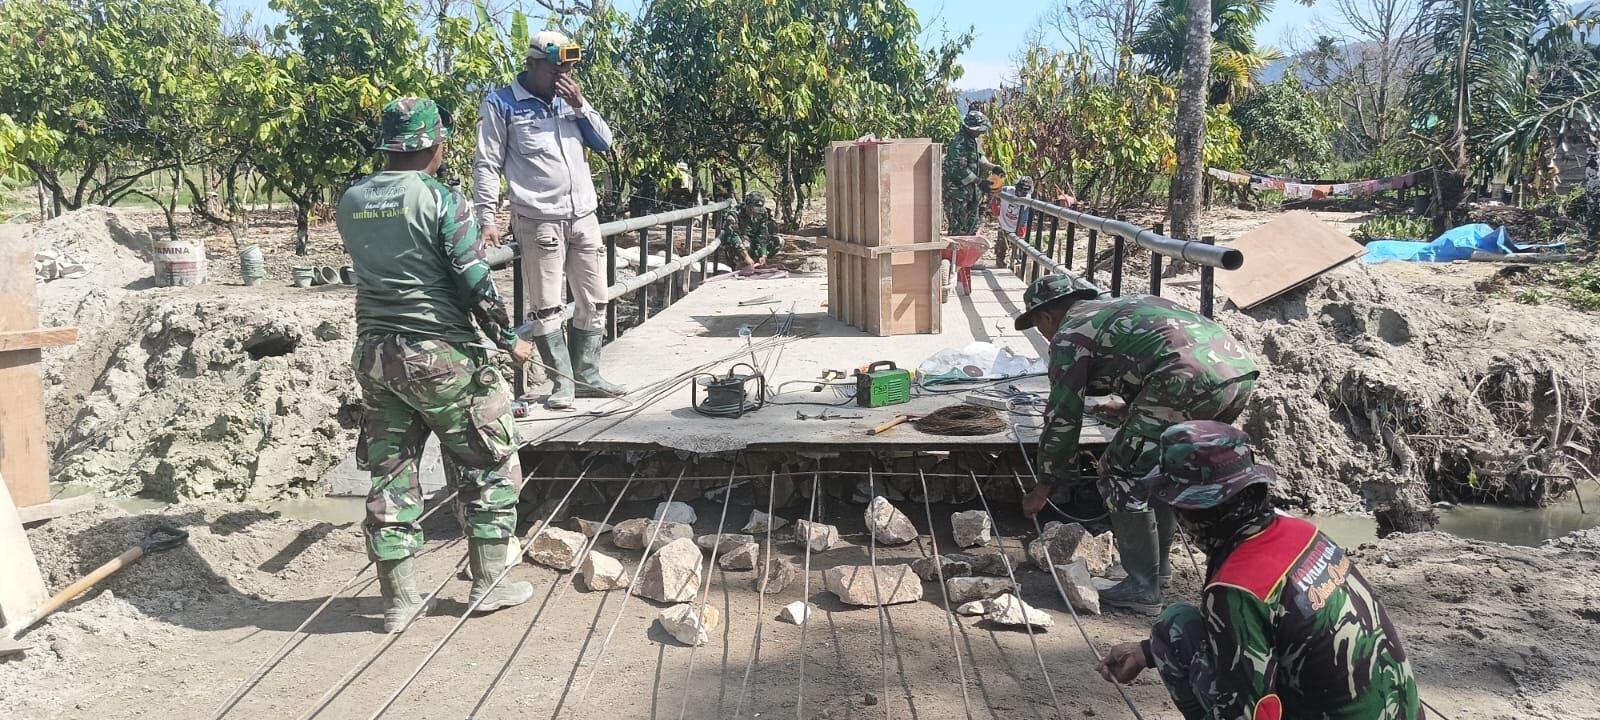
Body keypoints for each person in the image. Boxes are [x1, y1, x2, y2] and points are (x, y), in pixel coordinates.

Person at [338, 97, 535, 633]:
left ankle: (399, 601)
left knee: (392, 473)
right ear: (436, 146)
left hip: (375, 355)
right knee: (489, 459)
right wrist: (507, 337)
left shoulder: (351, 199)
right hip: (439, 355)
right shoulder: (442, 199)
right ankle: (490, 584)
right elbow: (472, 278)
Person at [1096, 421, 1424, 719]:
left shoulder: (1235, 590)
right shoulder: (1302, 532)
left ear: (1193, 510)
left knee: (1174, 625)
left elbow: (1248, 715)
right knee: (1171, 635)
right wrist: (1146, 652)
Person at [1014, 274, 1258, 612]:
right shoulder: (1117, 307)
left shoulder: (1070, 334)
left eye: (1038, 327)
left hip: (1186, 381)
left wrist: (1045, 485)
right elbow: (1154, 351)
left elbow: (1063, 417)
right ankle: (1158, 573)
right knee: (1162, 463)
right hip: (1237, 374)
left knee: (1119, 471)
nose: (1043, 334)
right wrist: (1131, 408)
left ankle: (1142, 588)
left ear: (1046, 315)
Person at [474, 29, 625, 410]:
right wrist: (487, 217)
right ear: (532, 64)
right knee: (546, 306)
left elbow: (605, 143)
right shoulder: (502, 104)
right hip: (538, 218)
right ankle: (563, 382)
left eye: (568, 69)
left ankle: (588, 374)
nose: (563, 76)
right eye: (556, 69)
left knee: (596, 298)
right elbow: (488, 163)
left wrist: (581, 105)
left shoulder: (570, 101)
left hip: (583, 215)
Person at [943, 110, 1001, 235]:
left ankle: (967, 253)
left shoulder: (973, 140)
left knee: (972, 226)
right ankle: (956, 254)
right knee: (958, 228)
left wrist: (993, 167)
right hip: (958, 192)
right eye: (980, 129)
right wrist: (979, 182)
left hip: (971, 192)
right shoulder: (958, 142)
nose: (981, 132)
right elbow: (961, 168)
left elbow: (979, 158)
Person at [720, 191, 781, 273]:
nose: (755, 211)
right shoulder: (734, 214)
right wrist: (746, 257)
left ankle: (757, 262)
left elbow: (762, 234)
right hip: (736, 247)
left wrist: (763, 254)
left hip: (753, 243)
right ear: (747, 205)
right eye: (753, 208)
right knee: (745, 243)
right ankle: (740, 265)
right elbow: (734, 238)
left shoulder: (763, 213)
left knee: (778, 241)